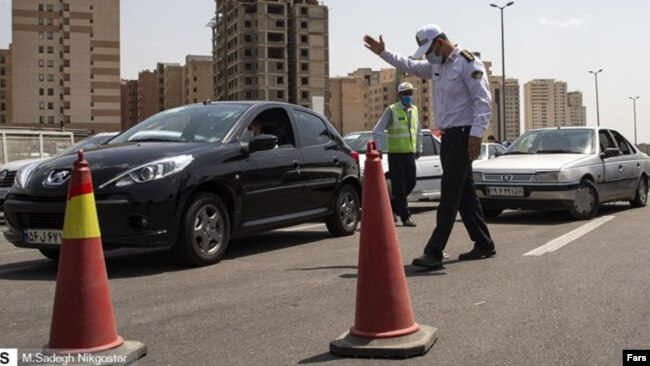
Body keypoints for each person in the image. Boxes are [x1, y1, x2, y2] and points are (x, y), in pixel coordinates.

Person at [364, 24, 496, 269]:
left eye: (429, 50)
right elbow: (408, 65)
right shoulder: (437, 65)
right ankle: (484, 243)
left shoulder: (468, 63)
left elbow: (483, 103)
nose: (427, 56)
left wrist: (476, 136)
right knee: (465, 194)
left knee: (449, 194)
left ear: (440, 42)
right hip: (448, 138)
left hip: (464, 135)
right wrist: (383, 53)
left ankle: (434, 251)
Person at [372, 81, 422, 227]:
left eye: (410, 93)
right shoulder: (392, 110)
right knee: (399, 185)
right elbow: (377, 130)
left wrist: (418, 148)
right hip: (395, 154)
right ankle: (406, 216)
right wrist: (379, 148)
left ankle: (392, 206)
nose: (409, 96)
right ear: (399, 95)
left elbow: (417, 131)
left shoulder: (415, 110)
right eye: (406, 93)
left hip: (409, 153)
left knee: (411, 182)